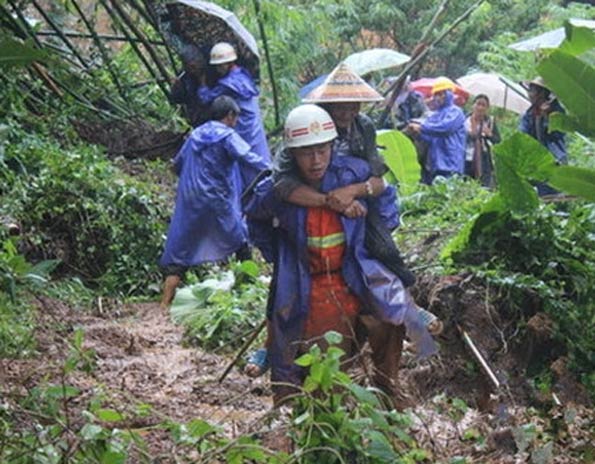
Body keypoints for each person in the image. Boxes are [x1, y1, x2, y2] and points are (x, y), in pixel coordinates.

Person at [244, 105, 436, 405]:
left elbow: (384, 195)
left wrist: (374, 229)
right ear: (292, 155)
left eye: (322, 150)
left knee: (391, 315)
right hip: (312, 282)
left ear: (332, 147)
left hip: (355, 269)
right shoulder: (277, 191)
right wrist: (279, 254)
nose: (316, 160)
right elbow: (255, 217)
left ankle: (388, 387)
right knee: (316, 360)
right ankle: (309, 405)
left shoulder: (353, 173)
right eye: (306, 153)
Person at [159, 96, 270, 308]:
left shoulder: (195, 135)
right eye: (236, 118)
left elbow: (177, 165)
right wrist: (272, 169)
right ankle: (248, 289)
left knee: (183, 244)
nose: (236, 123)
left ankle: (165, 302)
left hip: (191, 199)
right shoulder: (227, 135)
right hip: (217, 198)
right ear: (229, 116)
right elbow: (249, 157)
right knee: (239, 238)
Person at [197, 42, 271, 187]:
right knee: (255, 154)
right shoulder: (243, 74)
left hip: (242, 124)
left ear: (229, 63)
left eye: (220, 66)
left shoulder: (228, 84)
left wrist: (202, 84)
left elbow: (206, 98)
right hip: (252, 123)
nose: (218, 69)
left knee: (245, 157)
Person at [407, 77, 466, 185]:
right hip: (435, 164)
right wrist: (417, 134)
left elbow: (445, 128)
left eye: (441, 94)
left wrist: (421, 127)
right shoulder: (434, 115)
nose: (438, 97)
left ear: (449, 94)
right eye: (436, 94)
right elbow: (430, 138)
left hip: (451, 163)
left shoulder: (456, 112)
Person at [519, 77, 567, 196]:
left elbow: (558, 133)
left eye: (533, 91)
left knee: (555, 193)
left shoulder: (557, 111)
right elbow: (522, 134)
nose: (530, 95)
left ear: (542, 93)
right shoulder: (529, 114)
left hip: (554, 159)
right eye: (529, 91)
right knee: (541, 194)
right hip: (536, 161)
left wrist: (546, 117)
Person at [169, 44, 210, 128]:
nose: (192, 70)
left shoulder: (212, 72)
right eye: (188, 66)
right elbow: (177, 99)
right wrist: (176, 88)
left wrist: (203, 84)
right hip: (196, 117)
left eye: (194, 66)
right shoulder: (184, 76)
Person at [464, 94, 501, 187]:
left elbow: (498, 141)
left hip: (483, 161)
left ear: (487, 108)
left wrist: (489, 135)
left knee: (482, 187)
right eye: (478, 104)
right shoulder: (464, 120)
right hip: (464, 159)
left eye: (483, 105)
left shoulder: (489, 123)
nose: (480, 108)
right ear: (473, 105)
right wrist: (470, 135)